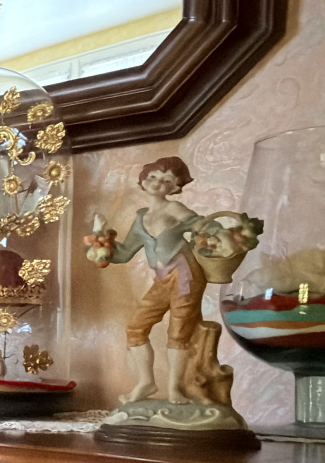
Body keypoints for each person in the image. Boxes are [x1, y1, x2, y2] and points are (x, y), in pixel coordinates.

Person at [85, 156, 234, 404]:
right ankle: (146, 382)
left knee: (178, 333)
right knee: (136, 327)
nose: (157, 183)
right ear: (143, 181)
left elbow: (204, 226)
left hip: (185, 274)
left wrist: (224, 237)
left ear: (175, 187)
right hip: (162, 277)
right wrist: (101, 237)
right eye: (153, 177)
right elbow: (124, 253)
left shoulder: (175, 209)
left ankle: (175, 388)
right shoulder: (142, 217)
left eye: (166, 180)